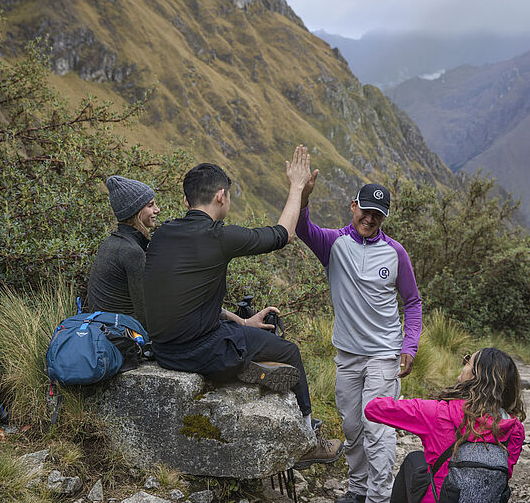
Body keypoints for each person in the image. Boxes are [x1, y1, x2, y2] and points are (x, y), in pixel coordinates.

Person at [143, 145, 342, 466]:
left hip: (164, 349)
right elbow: (282, 235)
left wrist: (243, 323)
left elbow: (188, 301)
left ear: (185, 201)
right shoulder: (218, 236)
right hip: (199, 351)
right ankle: (307, 441)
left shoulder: (163, 233)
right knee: (287, 350)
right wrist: (296, 187)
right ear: (221, 196)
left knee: (248, 333)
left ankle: (245, 362)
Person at [296, 174, 423, 503]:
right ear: (353, 206)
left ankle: (378, 499)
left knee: (377, 430)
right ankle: (358, 490)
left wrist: (409, 345)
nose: (369, 218)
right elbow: (301, 228)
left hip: (384, 355)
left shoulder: (395, 253)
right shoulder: (334, 245)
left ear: (384, 217)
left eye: (377, 214)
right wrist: (303, 196)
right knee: (352, 428)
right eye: (365, 210)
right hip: (348, 356)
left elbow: (412, 302)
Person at [364, 348, 526, 503]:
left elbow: (372, 409)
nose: (463, 364)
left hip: (440, 498)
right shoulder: (515, 429)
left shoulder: (439, 412)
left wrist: (400, 403)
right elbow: (504, 474)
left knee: (414, 460)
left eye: (468, 361)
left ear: (475, 376)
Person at [87, 175, 160, 323]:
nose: (157, 210)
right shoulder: (132, 251)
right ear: (136, 211)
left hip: (103, 327)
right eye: (150, 205)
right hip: (122, 333)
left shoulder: (111, 242)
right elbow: (145, 312)